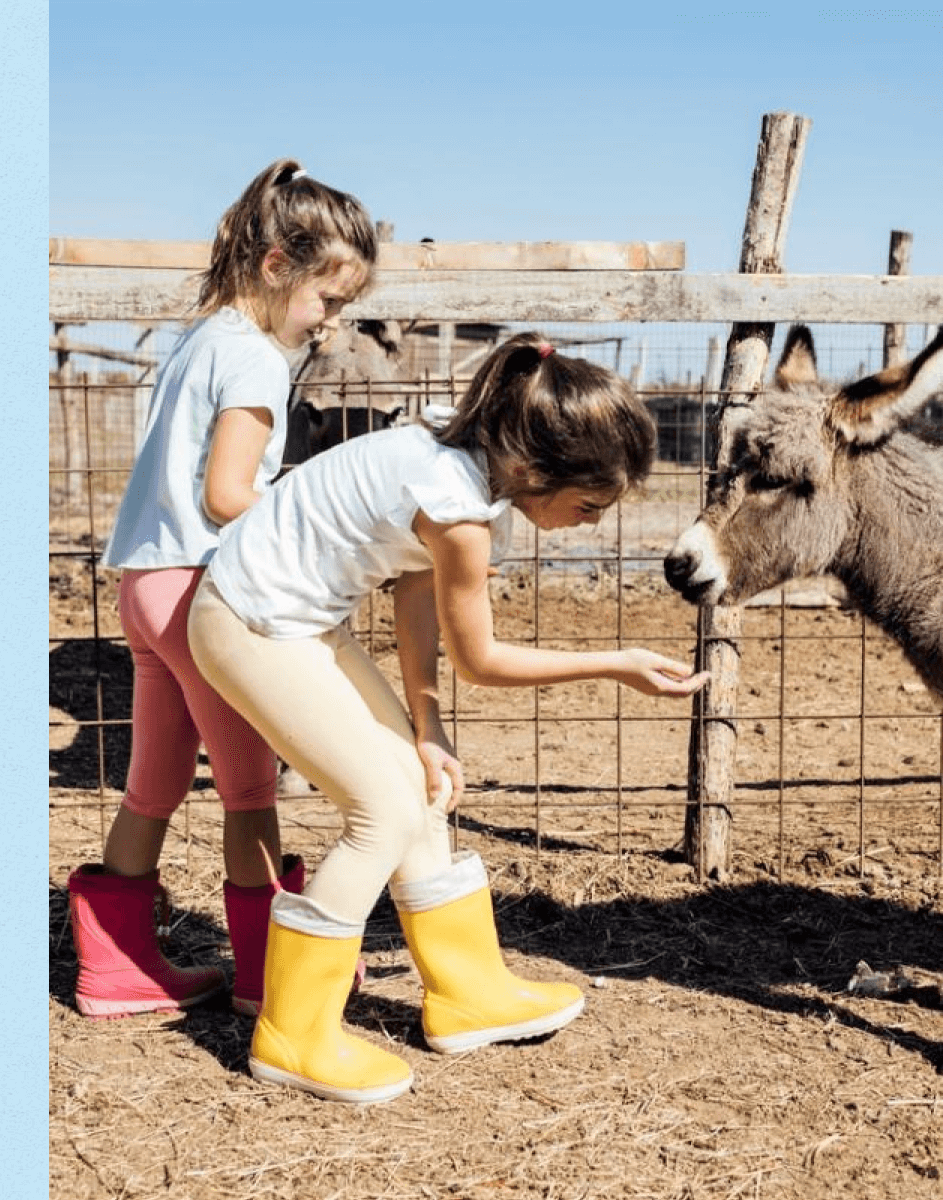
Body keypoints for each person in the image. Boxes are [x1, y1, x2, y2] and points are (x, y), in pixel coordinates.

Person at [187, 333, 709, 1101]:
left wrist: (426, 726)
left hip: (298, 619)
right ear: (535, 471)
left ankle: (467, 996)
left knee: (421, 787)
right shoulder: (462, 508)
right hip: (250, 621)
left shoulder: (463, 460)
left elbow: (410, 586)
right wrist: (616, 662)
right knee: (381, 810)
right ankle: (292, 1034)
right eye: (590, 505)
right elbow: (483, 660)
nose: (593, 523)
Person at [67, 160, 378, 1018]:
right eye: (329, 299)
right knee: (250, 794)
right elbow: (228, 495)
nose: (331, 322)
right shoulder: (256, 362)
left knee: (151, 787)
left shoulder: (198, 341)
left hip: (144, 585)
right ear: (279, 267)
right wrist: (314, 503)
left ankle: (117, 968)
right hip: (204, 596)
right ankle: (268, 976)